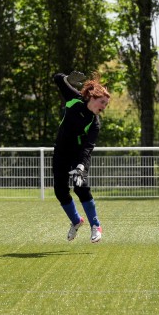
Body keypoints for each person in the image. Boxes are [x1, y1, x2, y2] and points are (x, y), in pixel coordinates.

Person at [52, 71, 110, 243]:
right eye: (102, 102)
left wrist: (81, 167)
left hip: (78, 156)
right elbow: (56, 78)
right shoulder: (75, 98)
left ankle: (96, 226)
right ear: (92, 97)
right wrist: (66, 80)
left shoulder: (95, 122)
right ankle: (76, 221)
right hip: (61, 152)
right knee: (60, 191)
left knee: (81, 187)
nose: (104, 107)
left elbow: (88, 147)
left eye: (106, 105)